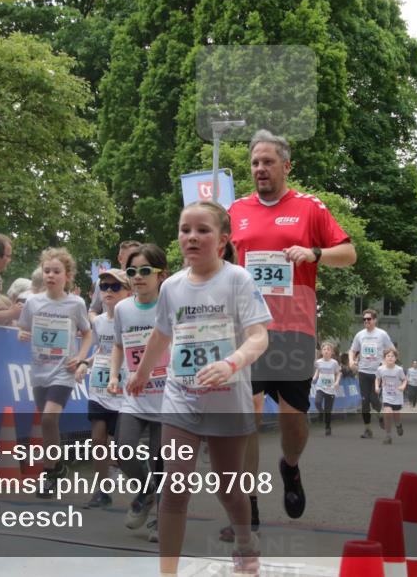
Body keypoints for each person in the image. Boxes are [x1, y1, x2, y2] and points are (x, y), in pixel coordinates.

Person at [127, 201, 271, 576]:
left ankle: (244, 541)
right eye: (184, 229)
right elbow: (161, 334)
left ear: (222, 240)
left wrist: (230, 363)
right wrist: (142, 373)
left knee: (229, 490)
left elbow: (259, 337)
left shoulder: (238, 279)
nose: (191, 236)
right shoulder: (172, 286)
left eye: (202, 230)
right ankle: (168, 572)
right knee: (175, 487)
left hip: (227, 400)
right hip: (181, 396)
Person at [227, 129, 355, 532]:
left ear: (286, 165)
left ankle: (291, 466)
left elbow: (348, 253)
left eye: (267, 162)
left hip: (294, 329)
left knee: (292, 422)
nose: (260, 169)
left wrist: (314, 252)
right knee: (244, 419)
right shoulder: (235, 210)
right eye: (254, 163)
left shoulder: (309, 207)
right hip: (248, 330)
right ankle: (247, 507)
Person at [108, 244, 170, 541]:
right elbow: (119, 345)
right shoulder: (122, 308)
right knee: (123, 449)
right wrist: (113, 375)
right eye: (132, 272)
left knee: (163, 462)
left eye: (146, 271)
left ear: (162, 275)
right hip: (135, 395)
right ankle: (146, 493)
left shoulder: (170, 306)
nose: (138, 277)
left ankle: (162, 518)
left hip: (169, 398)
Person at [17, 247, 91, 496]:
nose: (50, 275)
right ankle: (57, 465)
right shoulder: (32, 302)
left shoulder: (76, 303)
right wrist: (22, 334)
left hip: (63, 370)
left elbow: (88, 332)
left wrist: (80, 357)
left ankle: (48, 473)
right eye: (46, 270)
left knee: (49, 418)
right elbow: (22, 328)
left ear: (67, 276)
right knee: (48, 424)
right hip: (39, 370)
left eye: (56, 271)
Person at [82, 267, 132, 510]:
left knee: (123, 446)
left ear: (128, 291)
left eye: (115, 287)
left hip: (125, 390)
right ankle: (102, 489)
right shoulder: (99, 322)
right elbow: (101, 350)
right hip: (100, 387)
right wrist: (85, 363)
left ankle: (145, 485)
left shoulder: (134, 319)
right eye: (104, 287)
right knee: (98, 437)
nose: (108, 291)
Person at [348, 309, 396, 438]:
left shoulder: (382, 334)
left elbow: (393, 350)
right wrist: (351, 361)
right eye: (364, 319)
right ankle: (368, 429)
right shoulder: (360, 335)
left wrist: (387, 363)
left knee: (374, 399)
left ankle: (380, 416)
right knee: (365, 402)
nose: (366, 321)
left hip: (378, 373)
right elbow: (352, 350)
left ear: (375, 320)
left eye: (368, 319)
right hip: (363, 371)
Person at [89, 240, 141, 320]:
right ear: (120, 258)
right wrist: (99, 324)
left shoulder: (144, 283)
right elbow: (93, 310)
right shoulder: (102, 282)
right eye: (132, 257)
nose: (137, 260)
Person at [375, 349, 407, 444]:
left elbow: (405, 380)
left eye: (392, 356)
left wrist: (402, 386)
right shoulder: (381, 369)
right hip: (386, 396)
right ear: (384, 358)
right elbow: (377, 379)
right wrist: (377, 386)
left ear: (396, 358)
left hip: (397, 396)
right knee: (388, 413)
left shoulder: (399, 370)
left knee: (396, 416)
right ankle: (388, 436)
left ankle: (398, 425)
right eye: (388, 356)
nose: (390, 358)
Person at [312, 341, 341, 436]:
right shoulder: (318, 362)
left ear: (332, 352)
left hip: (331, 388)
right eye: (324, 349)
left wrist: (337, 382)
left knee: (328, 410)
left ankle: (328, 427)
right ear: (321, 352)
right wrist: (315, 377)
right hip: (320, 387)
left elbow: (338, 373)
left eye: (328, 349)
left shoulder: (334, 363)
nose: (326, 351)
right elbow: (318, 370)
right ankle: (321, 412)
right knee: (317, 402)